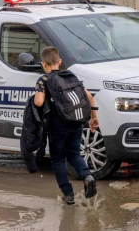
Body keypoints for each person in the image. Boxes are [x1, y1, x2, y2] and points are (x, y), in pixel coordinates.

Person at [33, 46, 99, 205]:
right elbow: (89, 97)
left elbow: (39, 102)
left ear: (44, 64)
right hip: (76, 122)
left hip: (57, 126)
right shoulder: (70, 76)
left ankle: (68, 195)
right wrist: (94, 118)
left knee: (57, 160)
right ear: (60, 61)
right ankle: (87, 176)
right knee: (75, 154)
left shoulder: (44, 80)